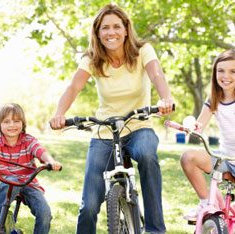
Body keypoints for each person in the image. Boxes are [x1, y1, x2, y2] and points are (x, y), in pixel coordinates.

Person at [49, 3, 174, 234]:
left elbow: (156, 73)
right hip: (105, 131)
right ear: (97, 33)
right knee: (89, 205)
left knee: (147, 155)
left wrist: (165, 98)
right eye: (105, 28)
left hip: (138, 126)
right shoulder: (93, 59)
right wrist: (59, 114)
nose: (111, 32)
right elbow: (74, 86)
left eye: (117, 26)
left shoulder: (143, 50)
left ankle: (156, 230)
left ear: (126, 29)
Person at [180, 49, 235, 233]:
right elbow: (200, 125)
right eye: (221, 71)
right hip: (225, 160)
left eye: (232, 71)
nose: (225, 76)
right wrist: (192, 128)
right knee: (188, 158)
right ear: (215, 73)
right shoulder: (214, 98)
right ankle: (206, 202)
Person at [0, 103, 62, 234]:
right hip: (8, 182)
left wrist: (51, 162)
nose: (12, 125)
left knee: (45, 214)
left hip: (29, 182)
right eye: (6, 122)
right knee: (12, 180)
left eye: (16, 121)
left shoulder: (29, 141)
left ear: (22, 123)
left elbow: (40, 151)